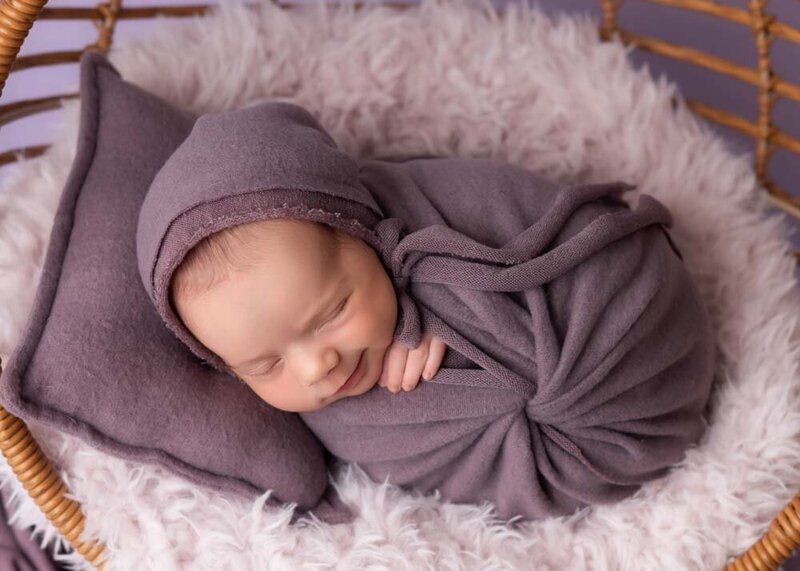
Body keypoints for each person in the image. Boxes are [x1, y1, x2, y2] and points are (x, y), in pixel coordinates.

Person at [169, 216, 448, 412]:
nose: (315, 369)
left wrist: (443, 310)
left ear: (362, 237)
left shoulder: (425, 244)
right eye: (266, 366)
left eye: (332, 315)